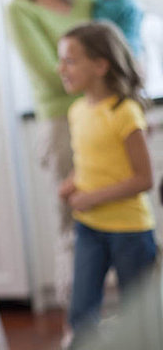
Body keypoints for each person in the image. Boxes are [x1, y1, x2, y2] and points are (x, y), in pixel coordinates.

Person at [7, 0, 93, 332]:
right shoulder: (20, 10)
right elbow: (51, 73)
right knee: (72, 224)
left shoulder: (88, 2)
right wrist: (107, 71)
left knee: (120, 219)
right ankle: (79, 328)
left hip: (105, 117)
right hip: (62, 124)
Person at [57, 21, 156, 347]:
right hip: (89, 228)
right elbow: (93, 162)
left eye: (70, 60)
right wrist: (73, 182)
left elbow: (144, 179)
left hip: (130, 231)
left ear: (101, 64)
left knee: (141, 317)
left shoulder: (124, 113)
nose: (61, 68)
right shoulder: (76, 112)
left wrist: (93, 197)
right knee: (81, 314)